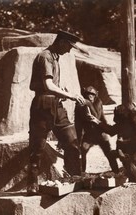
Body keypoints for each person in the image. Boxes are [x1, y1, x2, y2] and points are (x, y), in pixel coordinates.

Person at [27, 30, 86, 195]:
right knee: (37, 147)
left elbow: (53, 87)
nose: (69, 50)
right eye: (68, 46)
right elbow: (47, 86)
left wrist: (62, 91)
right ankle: (32, 185)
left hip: (56, 105)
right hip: (42, 105)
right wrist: (71, 95)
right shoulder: (45, 56)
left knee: (72, 141)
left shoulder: (55, 57)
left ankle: (75, 178)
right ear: (60, 42)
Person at [90, 104, 136, 183]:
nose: (114, 119)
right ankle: (117, 173)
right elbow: (111, 131)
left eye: (116, 116)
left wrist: (125, 142)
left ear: (123, 115)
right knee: (112, 155)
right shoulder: (123, 122)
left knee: (128, 160)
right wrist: (97, 121)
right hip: (131, 149)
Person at [75, 86, 118, 173]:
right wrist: (78, 139)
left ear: (96, 95)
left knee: (108, 153)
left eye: (92, 94)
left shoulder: (98, 102)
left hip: (100, 132)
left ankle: (116, 171)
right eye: (88, 94)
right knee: (82, 150)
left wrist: (89, 104)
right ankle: (82, 173)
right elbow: (78, 124)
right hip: (89, 134)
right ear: (84, 94)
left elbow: (96, 117)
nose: (90, 96)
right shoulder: (79, 106)